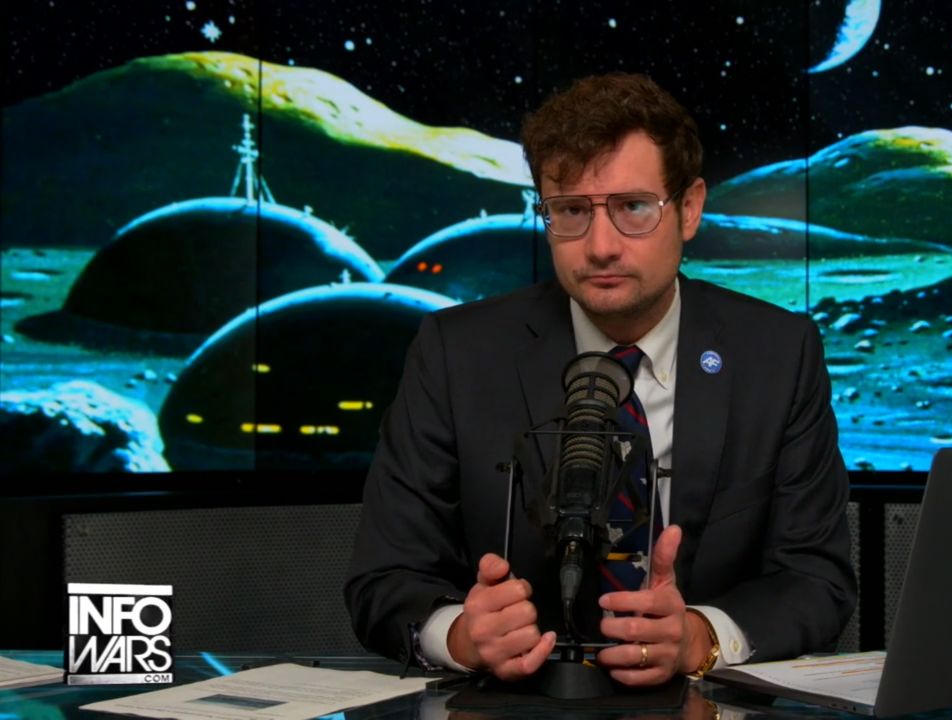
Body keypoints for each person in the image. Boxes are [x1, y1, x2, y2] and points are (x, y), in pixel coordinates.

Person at [345, 73, 856, 687]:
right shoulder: (455, 354)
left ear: (689, 208)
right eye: (571, 211)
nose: (601, 246)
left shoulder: (778, 353)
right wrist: (458, 633)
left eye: (633, 208)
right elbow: (383, 579)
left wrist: (700, 637)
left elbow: (817, 581)